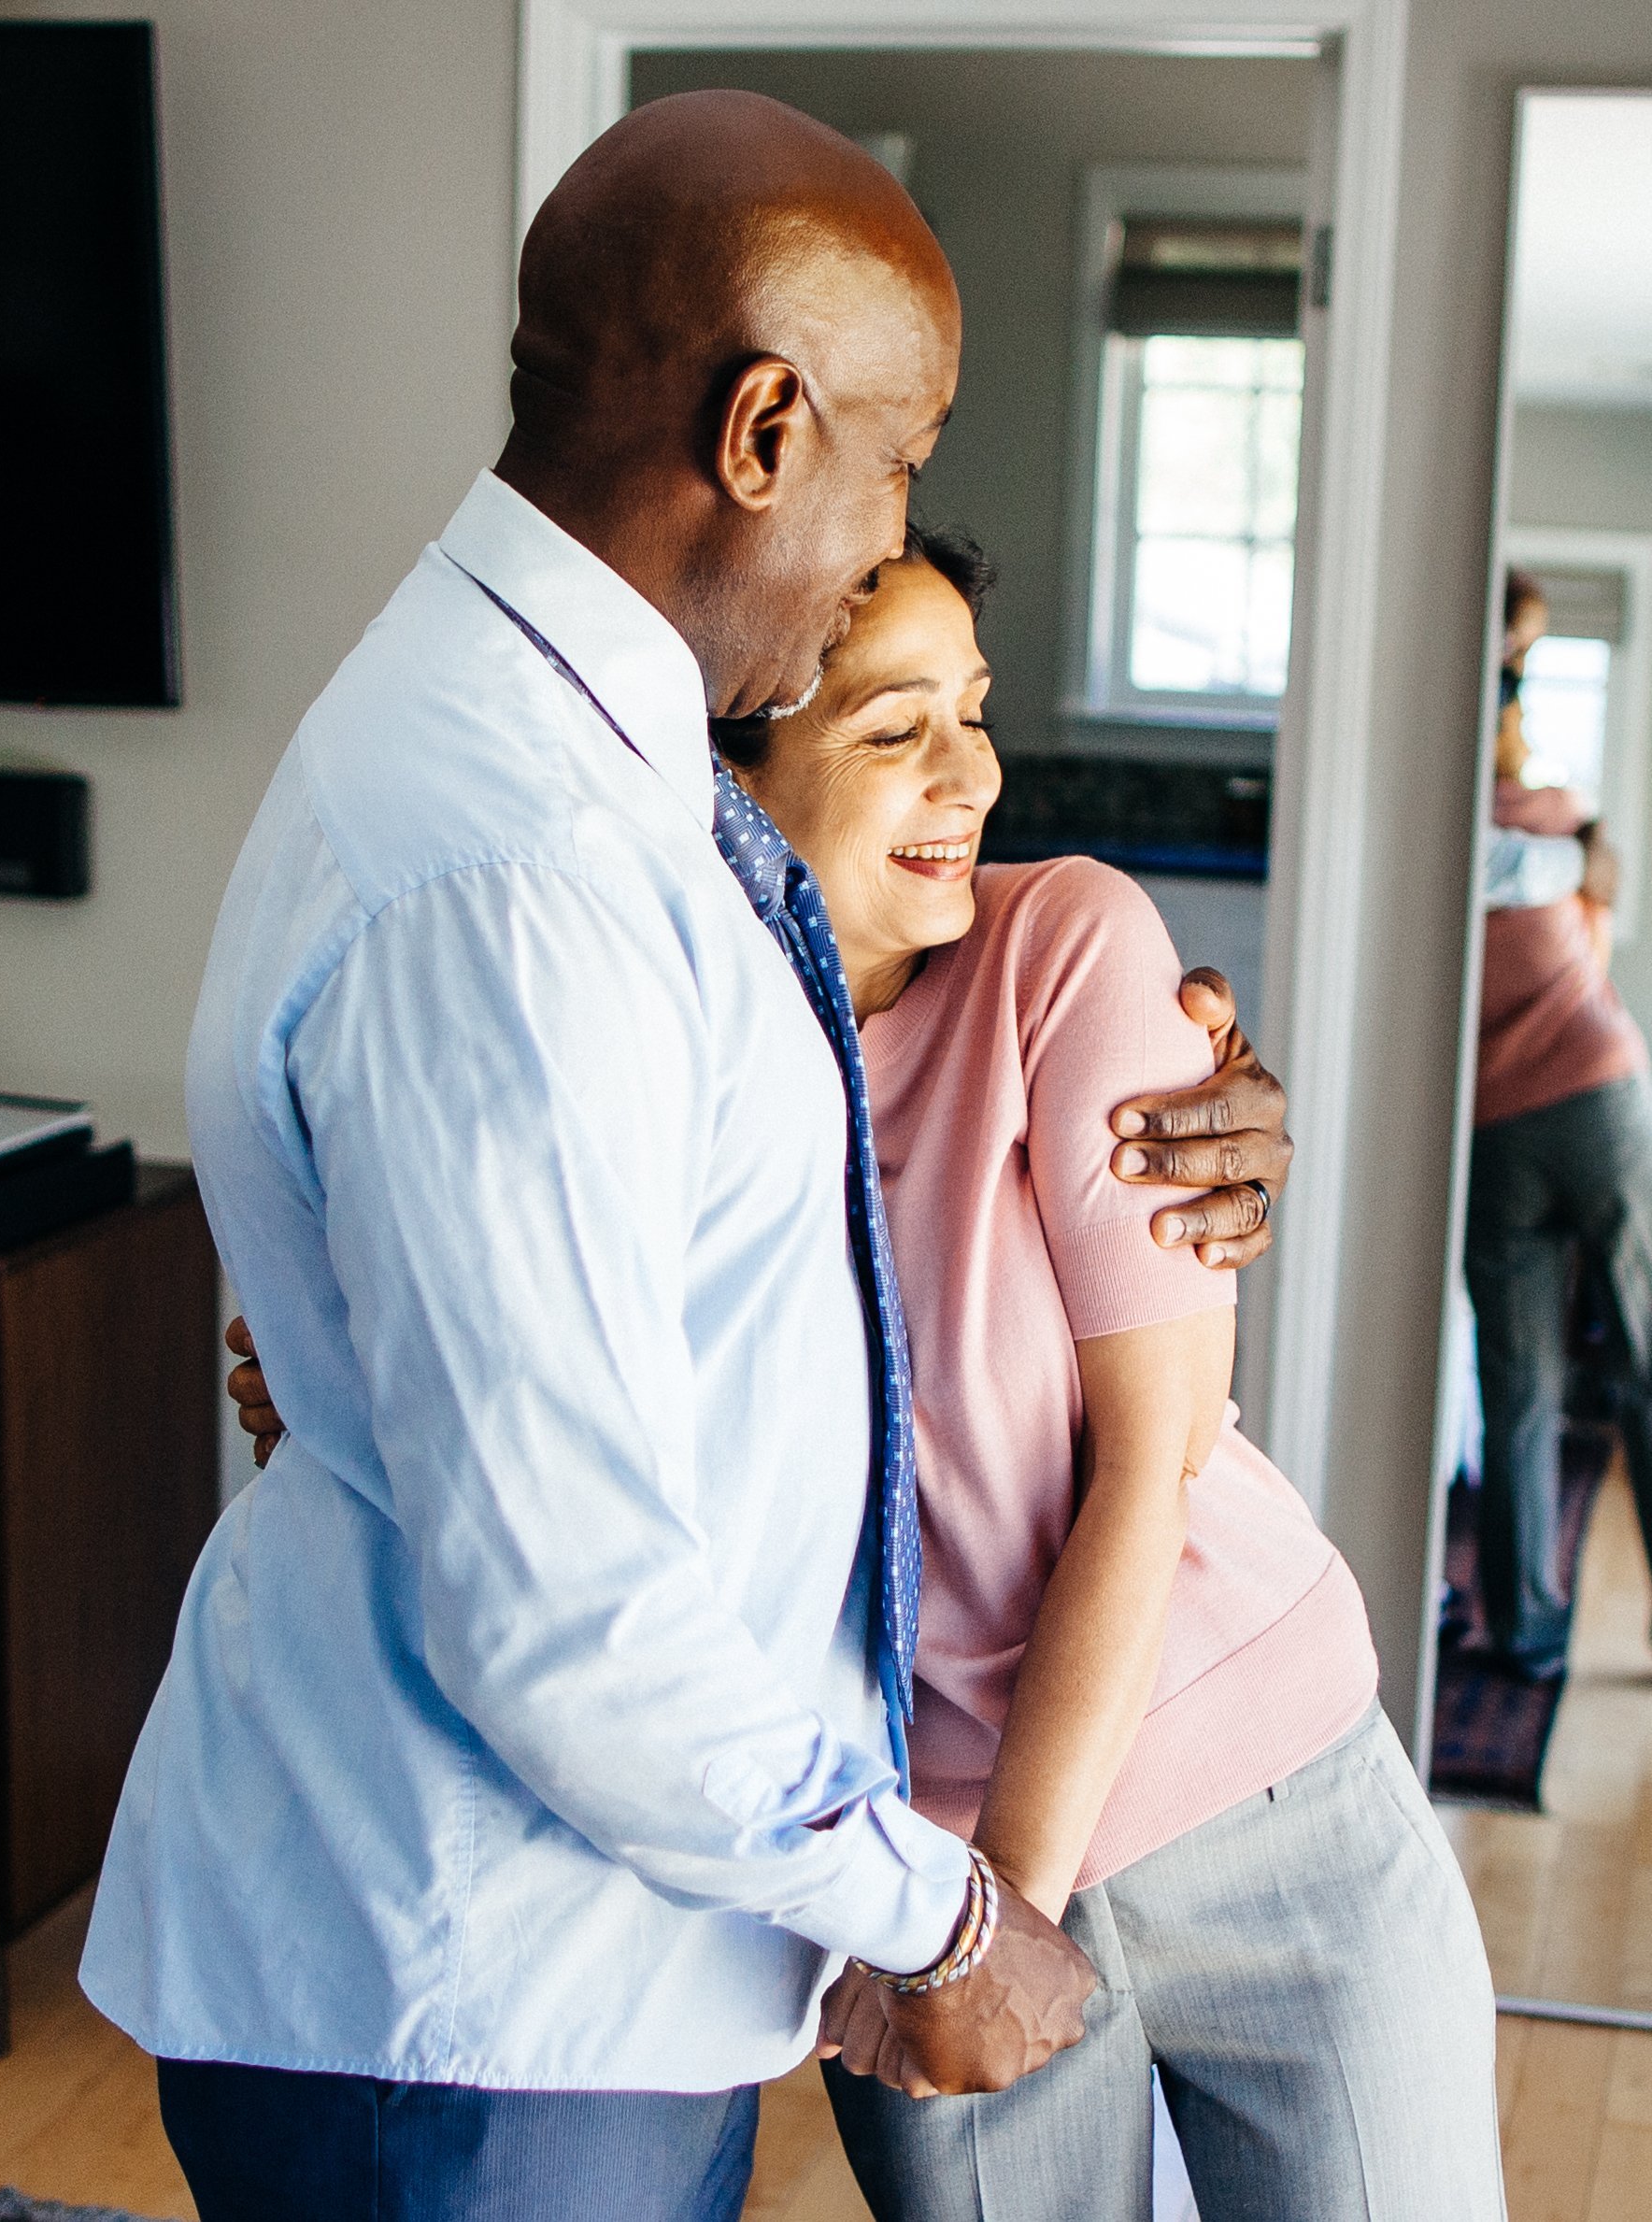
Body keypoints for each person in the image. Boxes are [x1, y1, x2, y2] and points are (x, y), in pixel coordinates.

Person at [79, 93, 1289, 2222]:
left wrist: (1154, 1081)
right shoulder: (524, 861)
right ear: (760, 431)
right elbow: (565, 1600)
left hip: (549, 1959)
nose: (874, 549)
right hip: (475, 1994)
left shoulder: (536, 741)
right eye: (889, 465)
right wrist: (935, 1912)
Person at [226, 534, 1502, 2220]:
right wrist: (362, 1363)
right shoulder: (640, 1046)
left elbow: (1152, 1460)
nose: (969, 773)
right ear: (729, 768)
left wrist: (993, 1920)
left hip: (1251, 1795)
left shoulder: (1065, 945)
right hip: (894, 1857)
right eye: (896, 727)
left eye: (972, 714)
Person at [1465, 565, 1652, 1678]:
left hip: (1494, 1124)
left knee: (1520, 1390)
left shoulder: (1438, 833)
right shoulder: (1553, 815)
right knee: (1641, 1351)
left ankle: (1527, 1634)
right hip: (1592, 1095)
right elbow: (1602, 931)